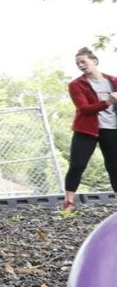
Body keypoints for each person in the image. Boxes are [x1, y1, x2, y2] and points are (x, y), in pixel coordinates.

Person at [62, 47, 117, 210]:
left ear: (94, 61)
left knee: (114, 166)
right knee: (77, 165)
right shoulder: (76, 85)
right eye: (78, 63)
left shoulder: (113, 81)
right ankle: (68, 203)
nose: (81, 65)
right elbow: (84, 109)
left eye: (83, 61)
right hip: (86, 130)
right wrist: (107, 102)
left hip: (112, 129)